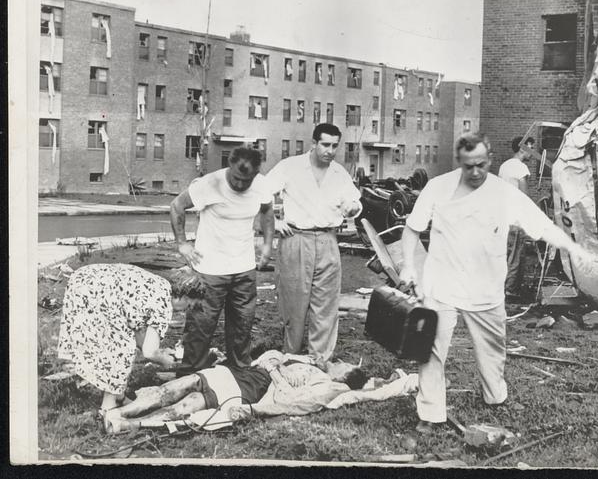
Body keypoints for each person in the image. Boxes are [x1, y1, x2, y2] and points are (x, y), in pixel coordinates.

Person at [398, 132, 592, 434]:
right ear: (459, 162)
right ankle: (430, 413)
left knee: (492, 348)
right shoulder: (437, 188)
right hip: (441, 285)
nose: (475, 172)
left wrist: (575, 249)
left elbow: (541, 227)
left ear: (490, 160)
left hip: (486, 288)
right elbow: (411, 230)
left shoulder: (505, 193)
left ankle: (495, 397)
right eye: (468, 165)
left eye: (481, 165)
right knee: (432, 348)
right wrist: (409, 268)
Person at [261, 123, 362, 366]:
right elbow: (260, 193)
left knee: (326, 306)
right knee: (293, 306)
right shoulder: (290, 167)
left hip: (328, 240)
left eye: (334, 146)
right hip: (296, 240)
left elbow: (355, 203)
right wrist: (273, 221)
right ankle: (291, 359)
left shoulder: (339, 173)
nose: (330, 150)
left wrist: (353, 208)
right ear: (314, 144)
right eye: (325, 145)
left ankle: (319, 362)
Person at [170, 147, 275, 375]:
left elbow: (267, 210)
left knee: (242, 326)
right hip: (210, 270)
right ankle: (190, 375)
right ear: (229, 166)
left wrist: (268, 243)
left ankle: (238, 373)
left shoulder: (262, 185)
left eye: (245, 180)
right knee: (201, 326)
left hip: (244, 269)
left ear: (256, 173)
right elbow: (177, 206)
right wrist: (182, 243)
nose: (239, 185)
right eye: (235, 178)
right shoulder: (210, 184)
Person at [103, 350, 367, 433]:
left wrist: (274, 370)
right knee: (174, 387)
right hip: (243, 373)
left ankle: (128, 425)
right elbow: (272, 354)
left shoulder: (326, 386)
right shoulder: (310, 361)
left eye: (341, 364)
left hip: (253, 388)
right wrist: (275, 360)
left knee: (188, 405)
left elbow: (290, 400)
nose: (335, 360)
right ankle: (117, 412)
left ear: (344, 375)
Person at [56, 264, 177, 416]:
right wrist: (166, 361)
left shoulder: (161, 285)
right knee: (120, 348)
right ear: (184, 297)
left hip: (83, 279)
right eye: (191, 305)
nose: (185, 310)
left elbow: (138, 330)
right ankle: (109, 407)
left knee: (115, 343)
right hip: (99, 289)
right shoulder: (164, 302)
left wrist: (153, 349)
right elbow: (149, 352)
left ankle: (119, 396)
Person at [497, 135, 536, 298]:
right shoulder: (520, 168)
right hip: (515, 218)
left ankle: (503, 287)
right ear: (522, 148)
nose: (532, 152)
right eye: (531, 148)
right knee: (515, 255)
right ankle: (510, 290)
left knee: (506, 253)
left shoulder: (504, 166)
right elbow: (524, 195)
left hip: (503, 216)